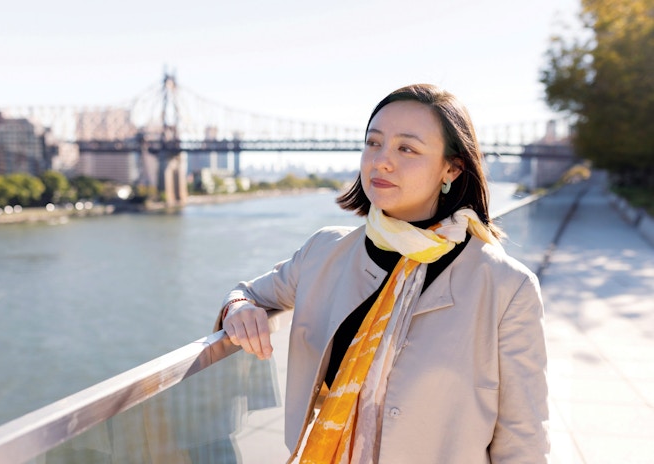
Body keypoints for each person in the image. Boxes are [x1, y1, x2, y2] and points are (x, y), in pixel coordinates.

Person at [218, 84, 549, 463]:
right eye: (373, 143)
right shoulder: (324, 253)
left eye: (406, 148)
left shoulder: (506, 286)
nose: (381, 161)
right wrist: (240, 308)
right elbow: (247, 293)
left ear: (452, 168)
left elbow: (524, 439)